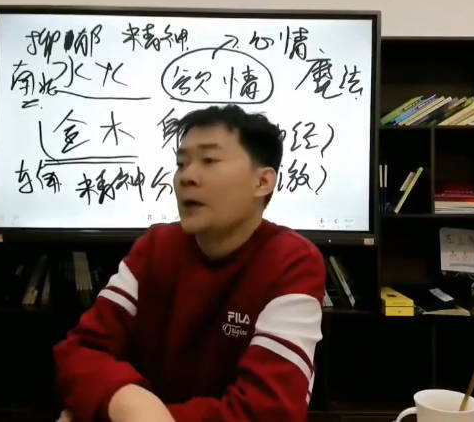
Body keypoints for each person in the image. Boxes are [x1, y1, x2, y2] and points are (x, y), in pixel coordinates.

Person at [53, 105, 326, 422]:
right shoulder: (155, 247)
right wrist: (123, 399)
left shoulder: (292, 261)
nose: (187, 177)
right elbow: (79, 352)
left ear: (263, 182)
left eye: (209, 160)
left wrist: (121, 412)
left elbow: (268, 412)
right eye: (181, 164)